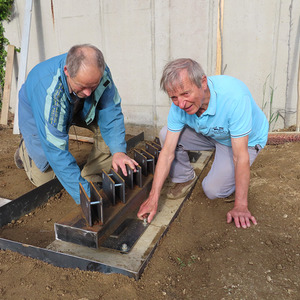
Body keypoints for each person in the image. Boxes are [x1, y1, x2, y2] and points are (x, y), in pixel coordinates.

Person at [138, 58, 269, 229]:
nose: (181, 104)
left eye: (186, 94)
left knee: (213, 190)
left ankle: (223, 167)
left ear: (203, 82)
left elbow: (240, 156)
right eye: (174, 97)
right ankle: (184, 177)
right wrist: (152, 198)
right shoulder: (179, 106)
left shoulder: (234, 97)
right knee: (165, 134)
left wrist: (241, 206)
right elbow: (168, 152)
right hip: (213, 134)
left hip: (244, 141)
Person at [14, 44, 138, 204]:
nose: (88, 93)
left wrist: (119, 151)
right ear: (67, 71)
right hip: (40, 113)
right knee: (46, 179)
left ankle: (91, 176)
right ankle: (25, 151)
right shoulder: (49, 91)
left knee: (110, 136)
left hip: (78, 107)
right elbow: (56, 151)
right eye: (83, 86)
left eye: (93, 86)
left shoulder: (100, 73)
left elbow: (111, 112)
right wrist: (86, 196)